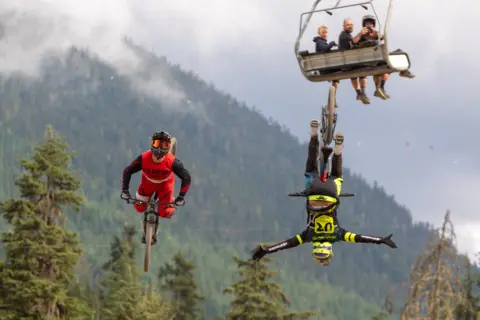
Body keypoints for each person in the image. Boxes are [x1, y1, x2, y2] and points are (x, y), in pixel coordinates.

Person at [250, 120, 397, 266]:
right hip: (313, 192)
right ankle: (314, 135)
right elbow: (287, 243)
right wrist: (266, 250)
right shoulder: (309, 236)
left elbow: (360, 238)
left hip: (331, 194)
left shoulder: (337, 235)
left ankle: (338, 150)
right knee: (310, 170)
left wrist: (381, 240)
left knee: (337, 177)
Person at [121, 131, 191, 244]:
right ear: (152, 144)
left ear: (168, 148)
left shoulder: (172, 162)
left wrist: (180, 197)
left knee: (165, 212)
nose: (159, 148)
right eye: (157, 143)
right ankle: (148, 229)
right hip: (147, 184)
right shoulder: (144, 158)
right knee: (139, 207)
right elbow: (128, 171)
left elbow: (186, 177)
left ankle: (168, 203)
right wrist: (125, 191)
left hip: (165, 186)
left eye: (164, 145)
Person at [358, 15, 416, 100]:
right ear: (364, 25)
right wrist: (361, 34)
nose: (369, 25)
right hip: (373, 60)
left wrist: (376, 33)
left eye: (371, 23)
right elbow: (354, 41)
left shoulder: (375, 34)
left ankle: (403, 72)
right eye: (367, 23)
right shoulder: (361, 35)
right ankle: (382, 86)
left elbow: (384, 38)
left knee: (398, 52)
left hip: (379, 59)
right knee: (388, 63)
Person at [338, 18, 370, 104]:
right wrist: (360, 34)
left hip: (348, 63)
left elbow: (352, 45)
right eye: (348, 25)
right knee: (365, 67)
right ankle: (362, 93)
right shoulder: (344, 36)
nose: (350, 26)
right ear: (343, 26)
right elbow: (353, 42)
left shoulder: (346, 35)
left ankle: (359, 93)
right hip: (348, 63)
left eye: (351, 25)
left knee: (355, 71)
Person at [314, 25, 339, 90]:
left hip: (326, 65)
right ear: (319, 33)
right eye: (323, 32)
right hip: (324, 67)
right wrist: (331, 43)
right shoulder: (319, 41)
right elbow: (325, 49)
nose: (325, 34)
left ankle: (333, 94)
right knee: (341, 68)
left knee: (337, 75)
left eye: (326, 32)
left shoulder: (322, 42)